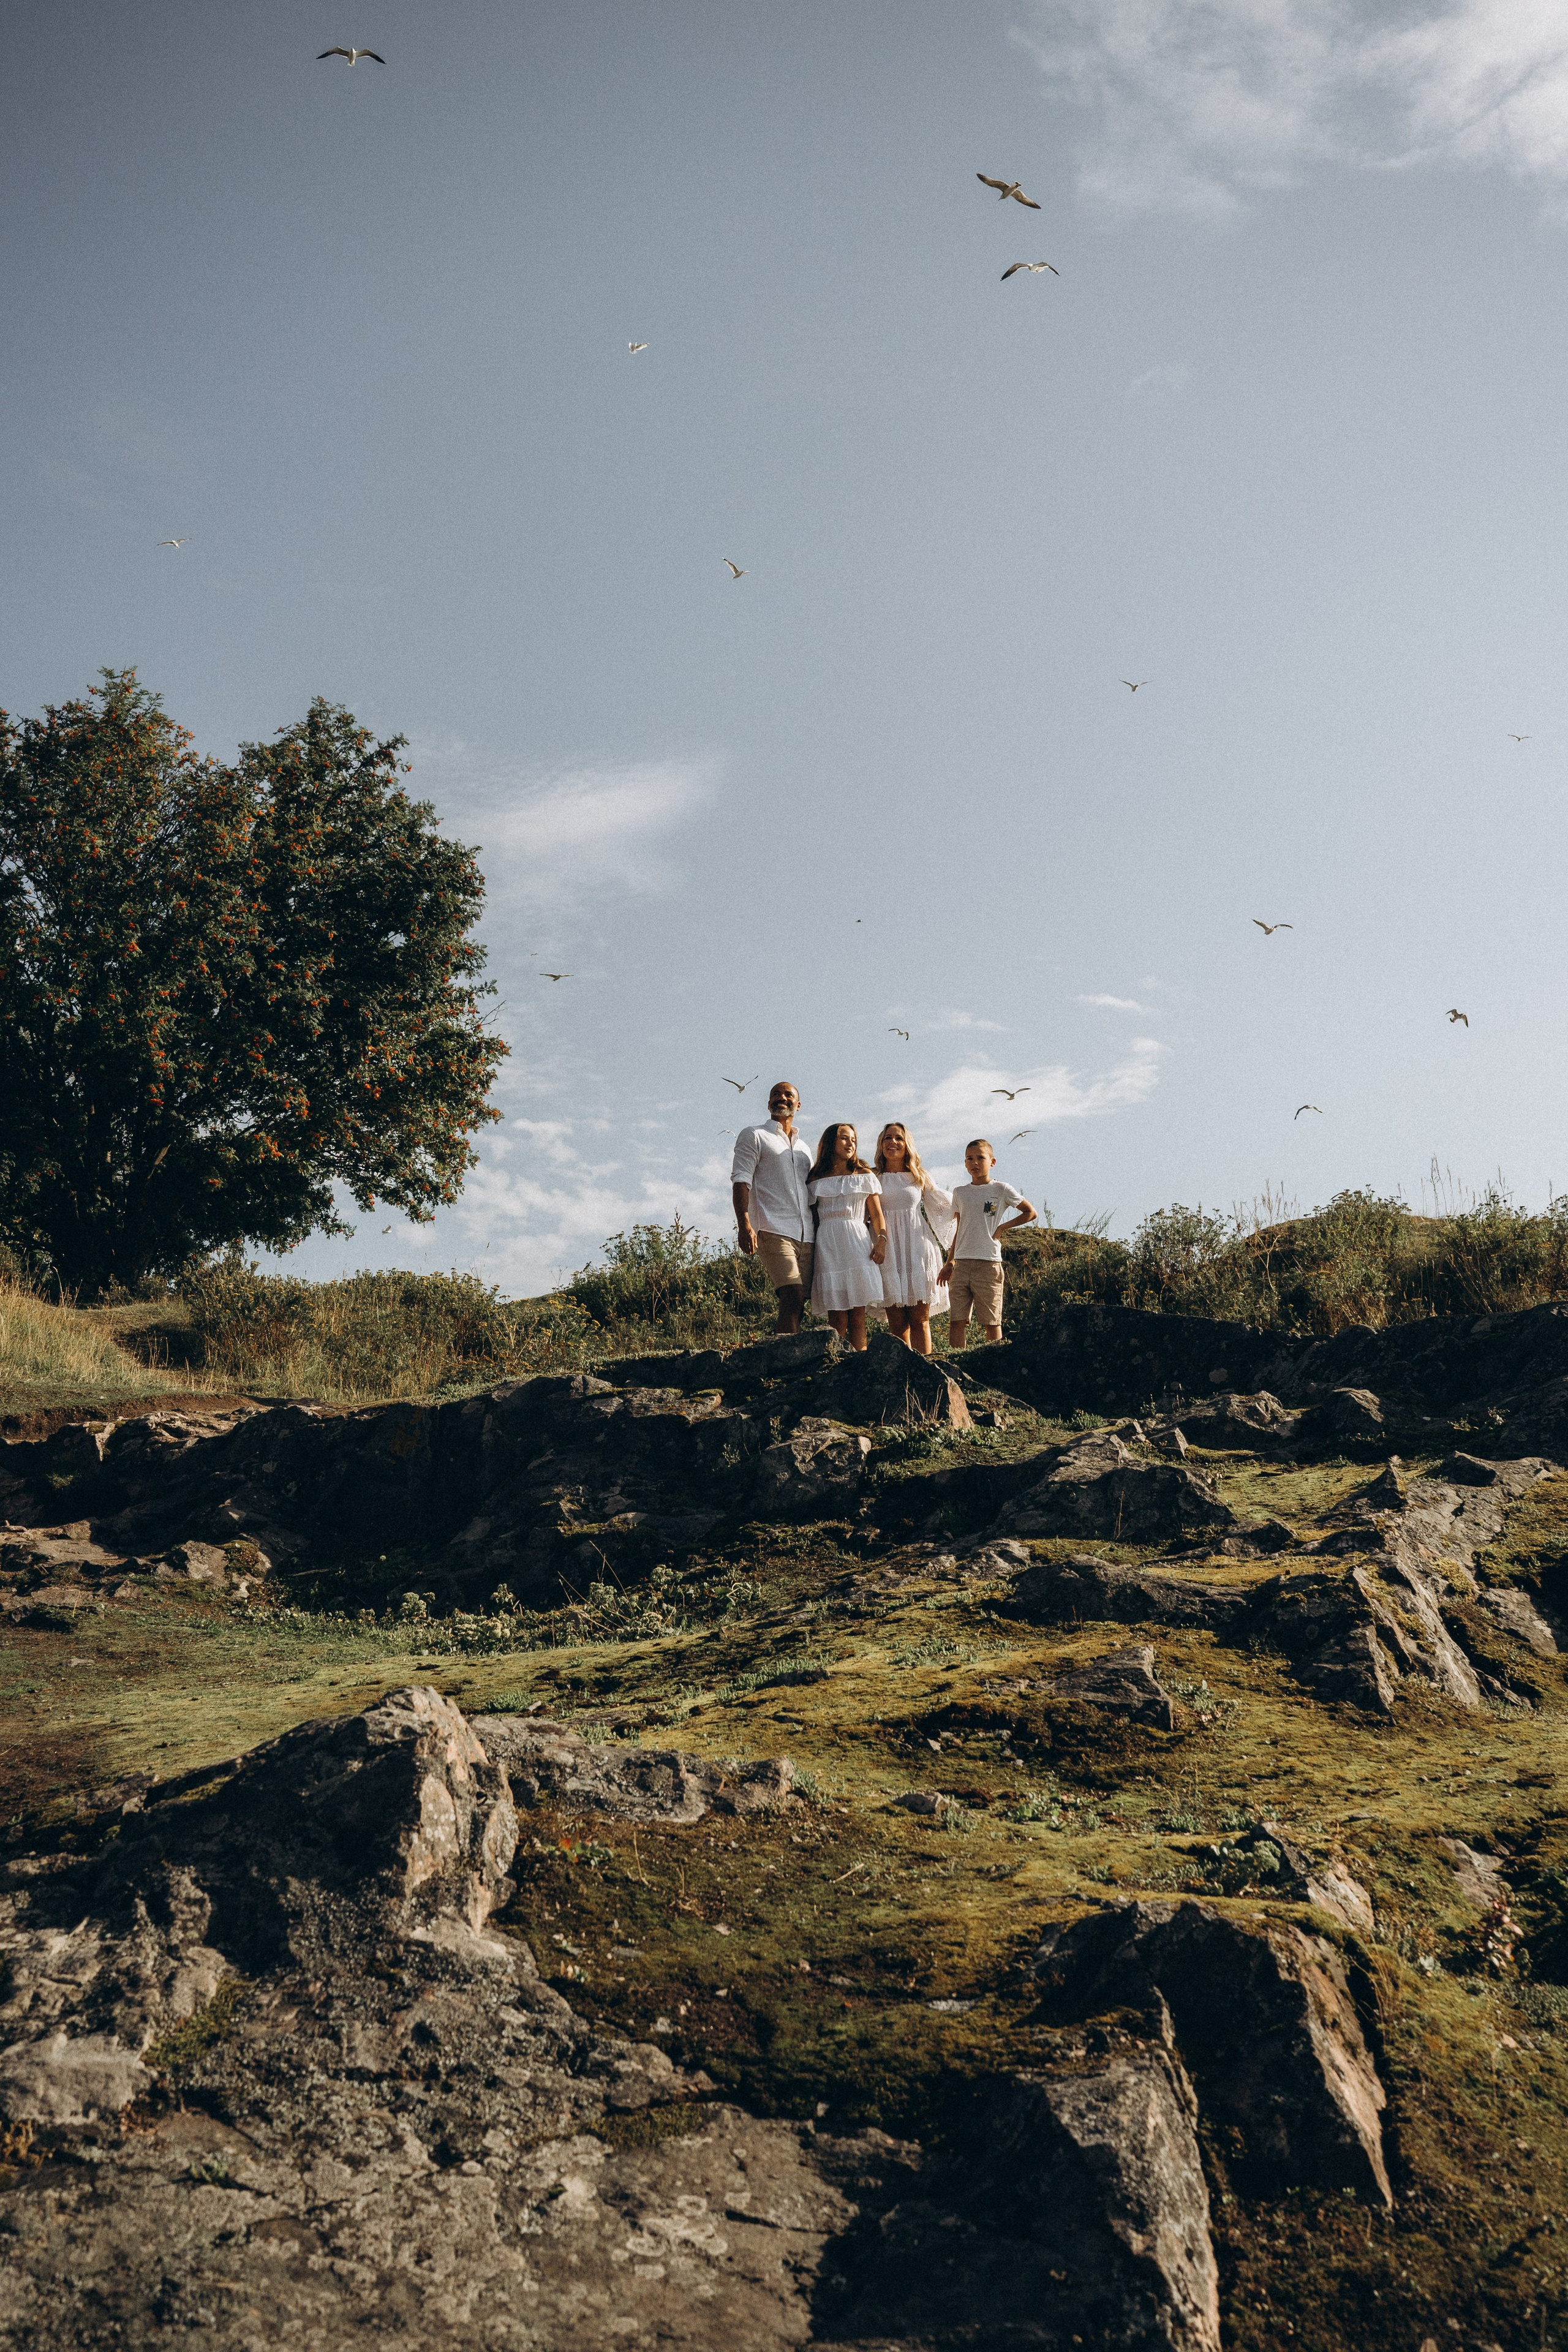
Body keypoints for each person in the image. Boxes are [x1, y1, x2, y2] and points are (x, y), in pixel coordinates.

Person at [732, 1080, 814, 1335]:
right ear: (769, 1103)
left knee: (800, 1301)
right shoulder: (755, 1135)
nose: (782, 1098)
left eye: (788, 1095)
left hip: (808, 1234)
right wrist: (745, 1225)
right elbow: (741, 1181)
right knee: (792, 1294)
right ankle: (786, 1354)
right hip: (773, 1229)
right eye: (776, 1094)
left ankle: (788, 1349)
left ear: (798, 1105)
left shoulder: (805, 1149)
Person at [940, 1137, 1036, 1346]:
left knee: (992, 1322)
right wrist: (950, 1263)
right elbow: (960, 1229)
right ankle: (958, 1360)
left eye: (980, 1158)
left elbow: (1030, 1212)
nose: (974, 1163)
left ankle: (995, 1360)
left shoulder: (1001, 1189)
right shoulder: (960, 1192)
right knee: (957, 1320)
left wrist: (1002, 1228)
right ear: (965, 1163)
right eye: (970, 1158)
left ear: (992, 1162)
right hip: (961, 1264)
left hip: (988, 1263)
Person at [873, 1121, 955, 1358]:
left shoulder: (919, 1176)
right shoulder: (873, 1177)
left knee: (920, 1320)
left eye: (899, 1138)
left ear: (907, 1144)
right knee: (897, 1324)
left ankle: (926, 1370)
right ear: (881, 1144)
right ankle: (903, 1371)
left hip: (918, 1249)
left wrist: (974, 1203)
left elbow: (947, 1207)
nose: (893, 1142)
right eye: (888, 1138)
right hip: (887, 1253)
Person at [807, 1121, 886, 1351]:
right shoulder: (815, 1179)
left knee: (858, 1317)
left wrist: (881, 1241)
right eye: (844, 1138)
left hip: (858, 1244)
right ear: (830, 1142)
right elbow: (813, 1219)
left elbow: (877, 1215)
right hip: (828, 1245)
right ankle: (838, 1362)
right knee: (837, 1318)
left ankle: (861, 1363)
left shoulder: (865, 1175)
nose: (850, 1143)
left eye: (853, 1140)